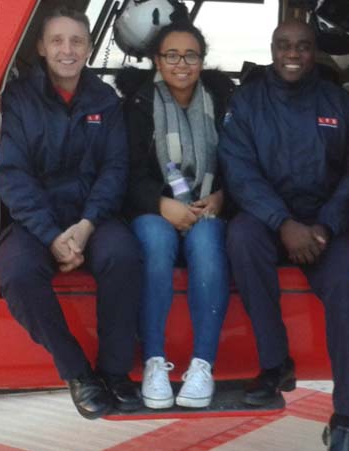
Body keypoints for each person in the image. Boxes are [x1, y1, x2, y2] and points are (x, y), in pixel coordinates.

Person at [219, 20, 349, 451]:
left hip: (326, 226)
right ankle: (275, 363)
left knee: (348, 285)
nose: (293, 54)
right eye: (284, 45)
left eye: (303, 47)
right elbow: (238, 170)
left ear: (314, 53)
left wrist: (323, 226)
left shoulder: (340, 103)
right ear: (271, 49)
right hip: (270, 223)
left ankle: (343, 418)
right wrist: (282, 223)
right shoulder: (247, 102)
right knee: (240, 238)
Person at [0, 7, 142, 420]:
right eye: (57, 41)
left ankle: (113, 372)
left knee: (124, 256)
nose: (67, 50)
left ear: (90, 48)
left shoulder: (105, 101)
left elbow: (115, 170)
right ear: (40, 47)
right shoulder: (18, 102)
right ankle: (78, 373)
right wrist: (50, 235)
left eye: (77, 41)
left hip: (91, 216)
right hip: (36, 221)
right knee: (18, 274)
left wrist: (88, 223)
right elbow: (12, 174)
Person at [121, 22, 232, 409]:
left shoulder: (221, 101)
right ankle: (154, 363)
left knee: (206, 241)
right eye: (171, 55)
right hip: (154, 208)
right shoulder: (137, 103)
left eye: (191, 55)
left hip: (207, 207)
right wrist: (160, 204)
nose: (181, 64)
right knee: (155, 239)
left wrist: (221, 197)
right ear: (157, 60)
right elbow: (128, 173)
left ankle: (202, 365)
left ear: (202, 61)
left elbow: (242, 164)